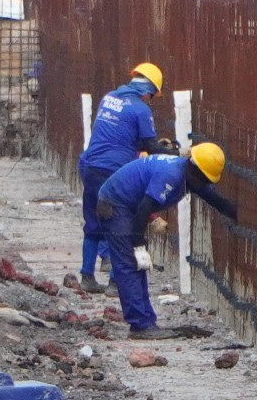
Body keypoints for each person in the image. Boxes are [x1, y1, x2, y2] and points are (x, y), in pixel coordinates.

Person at [97, 142, 237, 340]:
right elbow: (144, 210)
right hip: (115, 204)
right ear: (195, 169)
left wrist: (238, 214)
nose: (204, 184)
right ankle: (140, 326)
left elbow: (213, 198)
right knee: (129, 263)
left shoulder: (189, 173)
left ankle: (145, 321)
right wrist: (138, 245)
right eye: (203, 179)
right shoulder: (172, 175)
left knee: (137, 267)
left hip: (125, 203)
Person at [76, 63, 166, 293]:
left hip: (91, 167)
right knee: (120, 225)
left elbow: (115, 133)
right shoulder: (141, 109)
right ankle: (115, 283)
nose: (150, 101)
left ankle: (87, 276)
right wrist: (172, 152)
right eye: (152, 97)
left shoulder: (109, 98)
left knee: (93, 223)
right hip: (116, 173)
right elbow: (149, 146)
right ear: (148, 92)